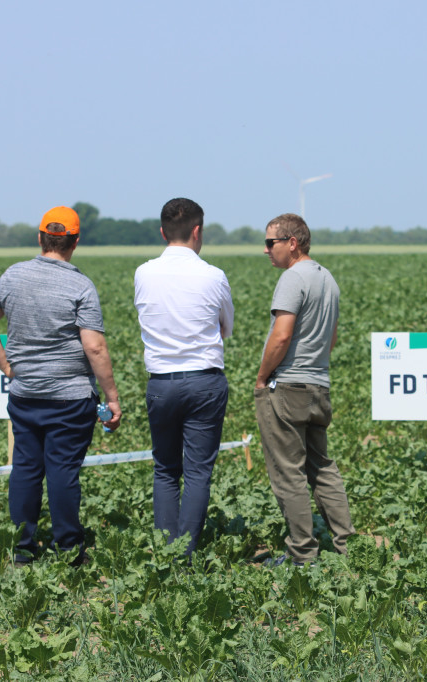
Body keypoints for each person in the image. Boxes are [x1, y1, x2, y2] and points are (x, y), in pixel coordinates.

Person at [0, 206, 122, 566]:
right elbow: (95, 346)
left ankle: (22, 548)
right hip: (70, 398)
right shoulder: (79, 285)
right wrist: (112, 397)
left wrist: (8, 367)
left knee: (25, 468)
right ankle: (68, 548)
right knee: (62, 471)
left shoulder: (13, 276)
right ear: (75, 242)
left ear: (40, 239)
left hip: (25, 393)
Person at [134, 198, 234, 555]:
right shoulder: (213, 275)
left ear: (162, 233)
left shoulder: (143, 273)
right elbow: (226, 328)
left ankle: (165, 552)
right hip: (204, 380)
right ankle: (186, 551)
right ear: (197, 231)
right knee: (197, 472)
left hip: (161, 381)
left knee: (165, 470)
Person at [254, 213, 354, 566]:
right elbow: (332, 338)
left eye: (271, 243)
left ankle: (302, 556)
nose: (266, 250)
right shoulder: (328, 279)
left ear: (292, 243)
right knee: (322, 468)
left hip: (289, 386)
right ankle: (349, 547)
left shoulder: (291, 278)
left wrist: (262, 377)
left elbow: (281, 335)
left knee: (288, 472)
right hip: (319, 385)